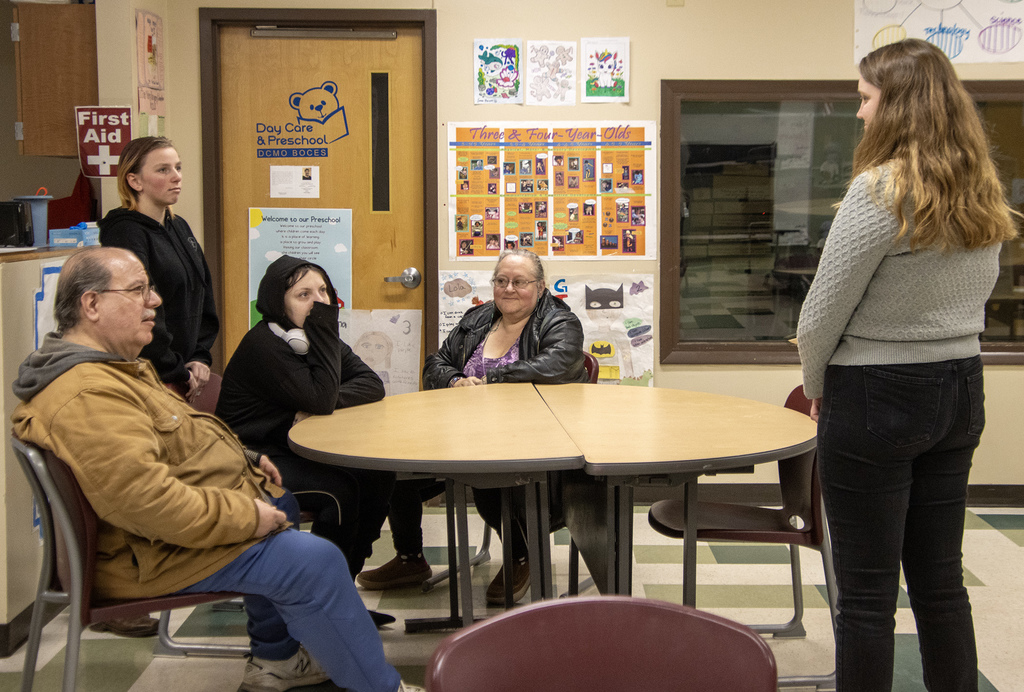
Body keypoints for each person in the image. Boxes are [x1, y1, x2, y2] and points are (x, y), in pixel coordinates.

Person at [11, 247, 421, 692]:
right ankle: (381, 687)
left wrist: (245, 461)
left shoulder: (115, 371)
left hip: (152, 540)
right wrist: (247, 518)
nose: (155, 301)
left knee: (277, 496)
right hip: (148, 554)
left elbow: (176, 438)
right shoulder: (88, 396)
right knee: (313, 560)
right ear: (91, 304)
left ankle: (276, 658)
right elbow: (146, 502)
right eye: (138, 290)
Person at [796, 39, 1020, 692]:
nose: (860, 113)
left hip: (876, 392)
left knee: (866, 594)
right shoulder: (981, 190)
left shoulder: (881, 190)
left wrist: (815, 387)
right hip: (960, 387)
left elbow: (818, 317)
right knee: (941, 580)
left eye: (866, 99)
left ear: (898, 105)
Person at [357, 249, 588, 605]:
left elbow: (555, 366)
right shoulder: (478, 317)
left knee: (490, 477)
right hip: (459, 433)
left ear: (540, 288)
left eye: (520, 282)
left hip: (531, 440)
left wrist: (486, 378)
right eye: (501, 280)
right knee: (389, 466)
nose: (509, 288)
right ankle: (410, 559)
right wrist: (454, 382)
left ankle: (521, 556)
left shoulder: (560, 322)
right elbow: (437, 362)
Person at [216, 256, 396, 626]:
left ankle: (341, 593)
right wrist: (320, 402)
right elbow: (319, 398)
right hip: (250, 458)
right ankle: (322, 604)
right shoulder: (266, 345)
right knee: (340, 491)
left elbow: (371, 384)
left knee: (377, 474)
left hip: (292, 447)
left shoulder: (318, 339)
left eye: (323, 291)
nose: (318, 302)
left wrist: (318, 405)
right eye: (303, 294)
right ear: (277, 303)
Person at [99, 136, 218, 404]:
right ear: (135, 181)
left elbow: (203, 291)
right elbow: (140, 308)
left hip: (184, 370)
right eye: (163, 170)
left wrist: (200, 356)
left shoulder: (178, 226)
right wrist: (175, 368)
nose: (176, 177)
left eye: (178, 167)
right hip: (149, 375)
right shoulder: (124, 233)